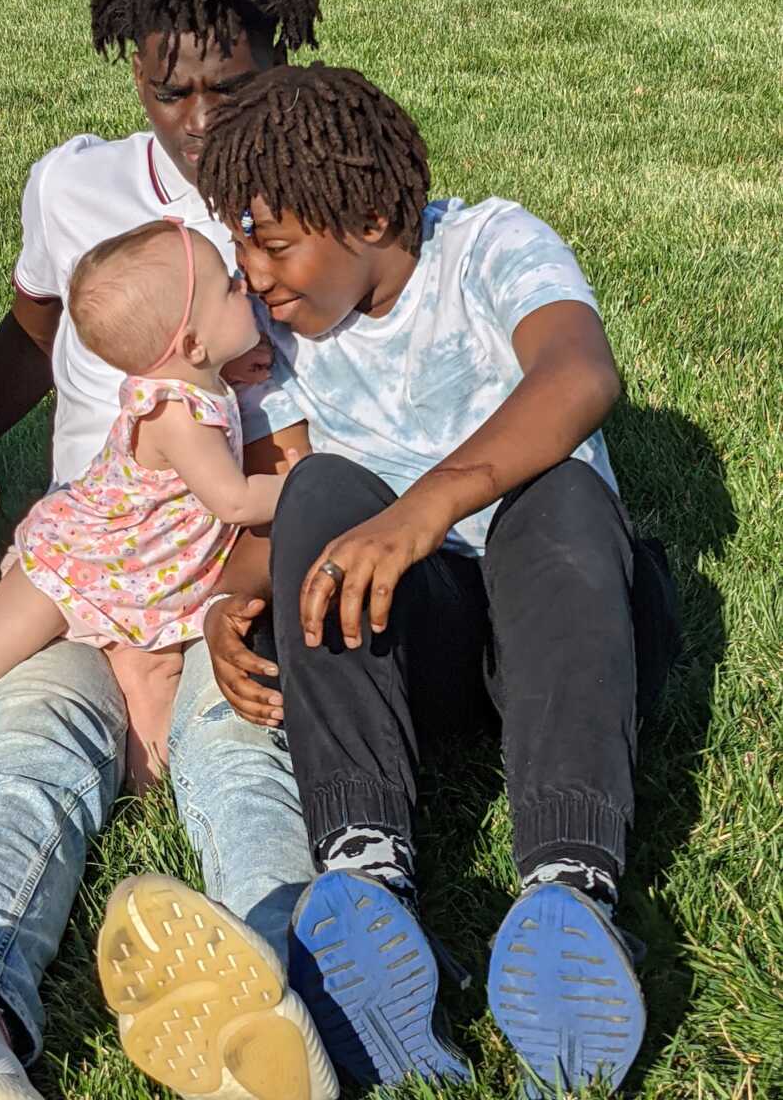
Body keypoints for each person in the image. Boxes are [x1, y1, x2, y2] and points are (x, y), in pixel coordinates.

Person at [127, 61, 675, 1098]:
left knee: (555, 490)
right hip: (416, 648)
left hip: (566, 627)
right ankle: (366, 878)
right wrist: (227, 610)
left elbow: (580, 373)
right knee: (319, 490)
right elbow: (285, 512)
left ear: (374, 214)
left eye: (274, 243)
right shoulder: (285, 342)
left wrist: (427, 506)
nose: (256, 275)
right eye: (242, 243)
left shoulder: (489, 247)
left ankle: (571, 891)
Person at [0, 0, 336, 1100]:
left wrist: (244, 603)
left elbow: (300, 450)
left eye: (227, 90)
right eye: (164, 90)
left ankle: (287, 998)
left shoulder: (300, 218)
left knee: (243, 760)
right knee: (23, 760)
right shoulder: (73, 185)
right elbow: (30, 339)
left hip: (214, 582)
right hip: (86, 571)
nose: (195, 123)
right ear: (132, 71)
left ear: (276, 64)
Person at [0, 219, 299, 788]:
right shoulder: (175, 414)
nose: (243, 286)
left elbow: (204, 380)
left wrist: (230, 369)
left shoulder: (194, 379)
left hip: (142, 577)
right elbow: (232, 500)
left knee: (154, 674)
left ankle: (150, 797)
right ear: (192, 344)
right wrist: (303, 483)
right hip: (78, 564)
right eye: (229, 286)